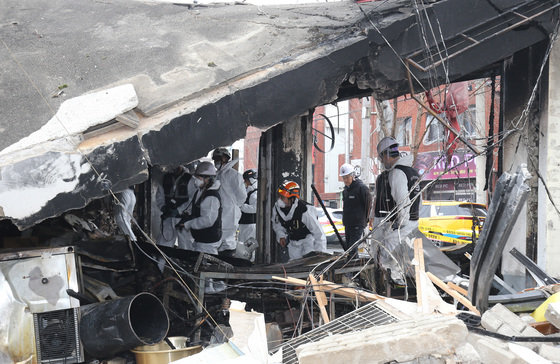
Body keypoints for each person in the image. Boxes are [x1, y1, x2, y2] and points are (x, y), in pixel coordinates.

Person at [371, 136, 421, 283]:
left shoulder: (397, 173)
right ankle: (398, 286)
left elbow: (402, 201)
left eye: (381, 158)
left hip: (401, 227)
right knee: (399, 263)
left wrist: (398, 226)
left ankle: (390, 290)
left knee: (387, 260)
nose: (382, 162)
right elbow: (419, 201)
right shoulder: (413, 172)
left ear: (386, 155)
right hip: (412, 223)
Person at [271, 180, 326, 260]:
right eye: (279, 196)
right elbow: (277, 224)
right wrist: (281, 236)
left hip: (308, 243)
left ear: (292, 198)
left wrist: (320, 254)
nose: (280, 200)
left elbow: (319, 234)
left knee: (309, 266)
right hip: (293, 244)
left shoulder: (305, 210)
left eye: (282, 197)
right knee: (295, 265)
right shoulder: (277, 209)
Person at [177, 161, 223, 255]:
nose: (196, 180)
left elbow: (207, 220)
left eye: (198, 178)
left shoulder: (211, 197)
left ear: (208, 179)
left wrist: (188, 224)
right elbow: (194, 207)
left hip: (208, 243)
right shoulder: (201, 192)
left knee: (207, 268)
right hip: (201, 241)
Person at [212, 148, 247, 255]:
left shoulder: (234, 175)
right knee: (218, 242)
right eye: (215, 159)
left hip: (230, 215)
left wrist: (232, 207)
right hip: (219, 214)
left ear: (226, 159)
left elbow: (242, 196)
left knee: (228, 242)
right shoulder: (216, 175)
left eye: (219, 158)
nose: (216, 161)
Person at [339, 163, 372, 258]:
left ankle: (352, 272)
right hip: (348, 224)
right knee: (349, 249)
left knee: (352, 249)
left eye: (347, 177)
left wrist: (365, 220)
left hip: (357, 224)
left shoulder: (362, 188)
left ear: (353, 176)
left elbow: (368, 205)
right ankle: (354, 271)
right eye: (343, 178)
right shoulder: (345, 190)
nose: (345, 180)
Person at [238, 169, 258, 243]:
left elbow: (255, 208)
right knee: (242, 247)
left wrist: (241, 206)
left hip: (250, 225)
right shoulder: (249, 191)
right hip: (245, 224)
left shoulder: (254, 193)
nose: (244, 182)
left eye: (245, 180)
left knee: (247, 249)